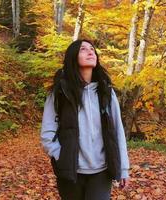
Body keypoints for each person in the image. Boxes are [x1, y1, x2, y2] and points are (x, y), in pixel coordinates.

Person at [40, 39, 130, 200]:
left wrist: (123, 168)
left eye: (92, 49)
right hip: (70, 170)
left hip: (102, 171)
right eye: (83, 49)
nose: (91, 52)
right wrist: (63, 155)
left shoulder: (106, 92)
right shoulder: (59, 93)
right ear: (73, 57)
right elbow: (47, 133)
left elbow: (117, 132)